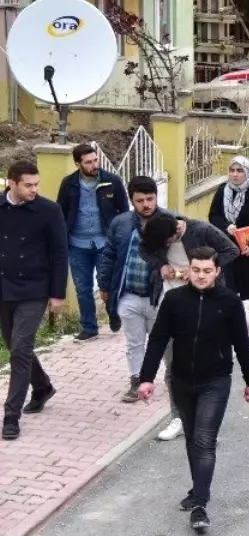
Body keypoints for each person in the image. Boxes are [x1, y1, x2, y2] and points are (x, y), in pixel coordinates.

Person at [136, 246, 249, 531]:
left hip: (215, 381)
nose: (201, 276)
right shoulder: (174, 300)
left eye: (207, 271)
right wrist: (146, 378)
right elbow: (157, 340)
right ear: (188, 270)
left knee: (204, 440)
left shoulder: (229, 302)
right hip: (181, 380)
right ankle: (197, 490)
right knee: (192, 439)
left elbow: (242, 343)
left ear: (217, 271)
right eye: (196, 270)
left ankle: (201, 504)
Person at [139, 212, 240, 440]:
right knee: (171, 364)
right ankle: (179, 417)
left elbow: (231, 250)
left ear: (176, 231)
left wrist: (203, 271)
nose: (164, 246)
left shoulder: (202, 230)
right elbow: (144, 250)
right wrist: (161, 265)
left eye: (167, 243)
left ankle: (205, 414)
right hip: (169, 302)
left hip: (205, 304)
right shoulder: (158, 230)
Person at [0, 162, 67, 441]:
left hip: (34, 289)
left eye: (36, 184)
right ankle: (42, 386)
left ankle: (10, 416)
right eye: (28, 185)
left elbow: (59, 253)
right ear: (12, 183)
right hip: (3, 288)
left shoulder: (49, 210)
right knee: (15, 346)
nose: (34, 189)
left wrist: (57, 293)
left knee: (20, 349)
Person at [98, 176, 173, 402]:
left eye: (150, 199)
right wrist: (104, 284)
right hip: (129, 294)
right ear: (131, 200)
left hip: (158, 296)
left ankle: (174, 379)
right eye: (140, 200)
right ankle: (137, 380)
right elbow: (109, 255)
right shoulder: (120, 223)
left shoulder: (169, 220)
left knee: (166, 342)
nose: (146, 205)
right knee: (134, 341)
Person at [57, 143, 128, 341]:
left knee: (108, 283)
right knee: (83, 287)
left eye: (95, 160)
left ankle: (113, 313)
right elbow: (60, 212)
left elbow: (124, 211)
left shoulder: (112, 181)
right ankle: (89, 327)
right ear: (77, 164)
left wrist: (121, 237)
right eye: (88, 162)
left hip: (105, 243)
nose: (94, 165)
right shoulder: (68, 184)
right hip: (77, 244)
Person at [208, 156, 249, 329]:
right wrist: (226, 226)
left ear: (247, 172)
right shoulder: (222, 191)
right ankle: (232, 320)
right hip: (228, 245)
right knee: (229, 284)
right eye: (232, 170)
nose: (235, 175)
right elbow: (214, 215)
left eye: (239, 171)